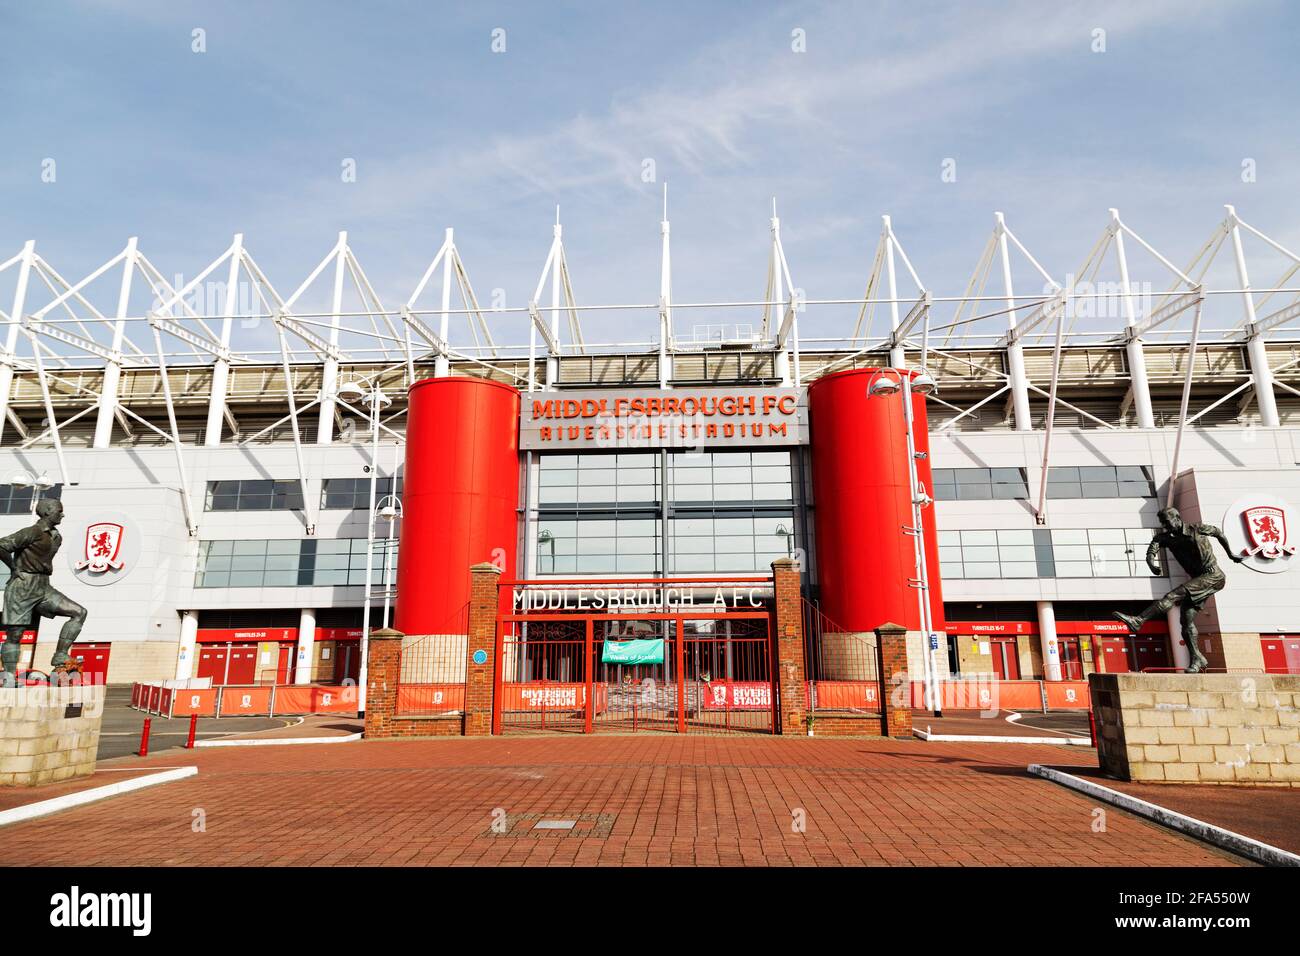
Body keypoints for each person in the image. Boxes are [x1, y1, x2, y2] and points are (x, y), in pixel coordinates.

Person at [1112, 506, 1243, 673]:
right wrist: (1151, 562)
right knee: (1186, 619)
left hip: (1213, 576)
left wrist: (1231, 554)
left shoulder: (1198, 529)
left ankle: (1139, 620)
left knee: (1172, 596)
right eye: (1162, 523)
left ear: (1177, 518)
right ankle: (1197, 658)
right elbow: (1153, 548)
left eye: (1167, 522)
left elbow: (1218, 533)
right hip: (1198, 580)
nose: (1165, 525)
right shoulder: (1166, 538)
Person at [0, 499, 88, 687]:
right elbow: (2, 545)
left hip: (43, 586)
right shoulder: (32, 532)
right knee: (15, 634)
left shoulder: (57, 536)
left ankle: (60, 655)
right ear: (47, 512)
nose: (62, 514)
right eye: (59, 511)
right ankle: (8, 675)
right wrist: (14, 567)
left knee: (79, 612)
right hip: (23, 586)